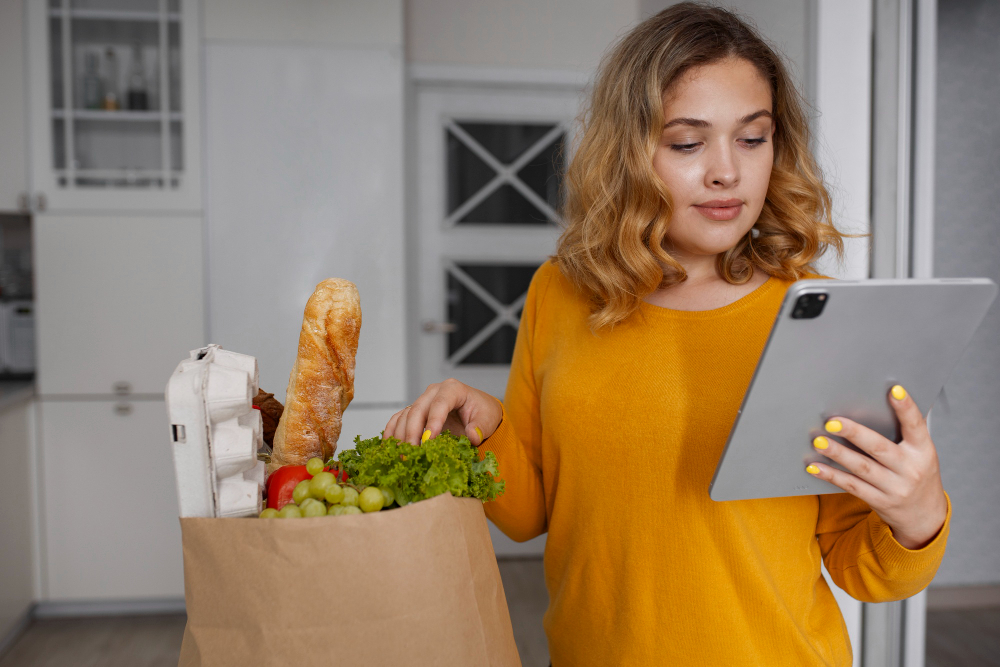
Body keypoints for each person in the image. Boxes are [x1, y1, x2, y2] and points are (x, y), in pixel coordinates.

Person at [384, 3, 950, 665]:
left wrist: (919, 510)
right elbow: (529, 510)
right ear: (628, 150)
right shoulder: (559, 294)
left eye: (752, 137)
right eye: (687, 142)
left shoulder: (815, 315)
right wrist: (478, 432)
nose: (726, 172)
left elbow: (863, 568)